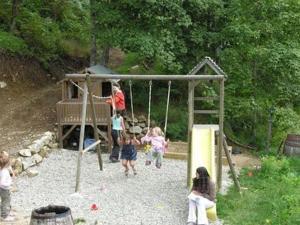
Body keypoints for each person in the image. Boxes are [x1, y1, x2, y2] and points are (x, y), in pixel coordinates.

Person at [0, 151, 15, 222]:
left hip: (5, 189)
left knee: (7, 201)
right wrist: (9, 184)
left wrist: (11, 173)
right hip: (4, 189)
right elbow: (2, 183)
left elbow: (11, 172)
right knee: (5, 201)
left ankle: (7, 212)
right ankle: (4, 216)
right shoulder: (4, 172)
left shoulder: (4, 169)